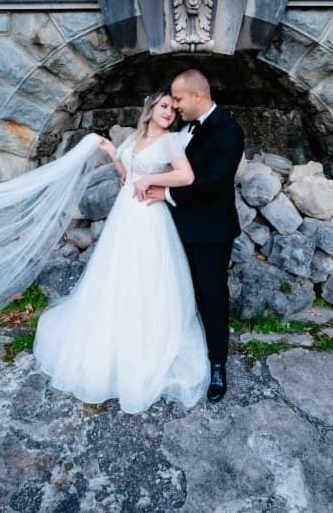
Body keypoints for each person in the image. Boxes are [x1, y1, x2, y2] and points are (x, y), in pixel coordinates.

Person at [32, 90, 209, 414]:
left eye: (173, 109)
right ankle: (112, 338)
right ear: (150, 107)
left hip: (148, 217)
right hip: (124, 215)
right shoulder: (135, 138)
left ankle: (145, 342)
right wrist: (114, 153)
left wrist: (151, 179)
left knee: (144, 277)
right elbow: (128, 175)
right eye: (164, 106)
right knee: (116, 276)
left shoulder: (169, 142)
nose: (169, 112)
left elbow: (186, 175)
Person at [143, 69, 245, 402]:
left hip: (209, 231)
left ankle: (217, 364)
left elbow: (214, 182)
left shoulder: (229, 131)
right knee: (173, 293)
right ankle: (175, 354)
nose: (174, 105)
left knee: (211, 296)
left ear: (197, 96)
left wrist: (166, 194)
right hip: (171, 227)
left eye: (178, 99)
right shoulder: (181, 128)